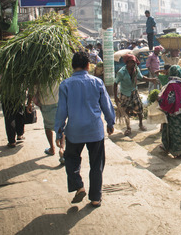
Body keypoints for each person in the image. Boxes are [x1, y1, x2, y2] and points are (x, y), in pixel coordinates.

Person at [54, 52, 115, 207]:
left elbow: (61, 111)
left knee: (71, 159)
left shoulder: (65, 84)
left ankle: (78, 185)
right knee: (97, 164)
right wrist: (110, 122)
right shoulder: (97, 83)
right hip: (95, 130)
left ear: (72, 66)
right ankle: (95, 198)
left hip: (74, 131)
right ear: (88, 66)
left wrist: (59, 130)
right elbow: (106, 105)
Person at [114, 54, 157, 136]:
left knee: (140, 109)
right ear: (127, 63)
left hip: (134, 91)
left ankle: (140, 124)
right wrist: (116, 97)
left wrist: (151, 79)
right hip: (125, 93)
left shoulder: (136, 69)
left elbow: (141, 77)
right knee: (126, 111)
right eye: (131, 63)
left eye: (134, 63)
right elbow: (115, 83)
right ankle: (128, 128)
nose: (133, 64)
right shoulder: (121, 72)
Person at [158, 65, 181, 159]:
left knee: (177, 132)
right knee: (174, 131)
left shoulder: (171, 85)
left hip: (173, 112)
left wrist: (160, 100)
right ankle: (168, 147)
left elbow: (169, 100)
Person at [35, 83, 65, 164]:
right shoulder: (58, 73)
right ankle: (62, 148)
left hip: (46, 103)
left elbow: (34, 89)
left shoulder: (39, 76)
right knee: (61, 126)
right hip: (58, 101)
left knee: (48, 127)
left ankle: (52, 148)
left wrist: (32, 101)